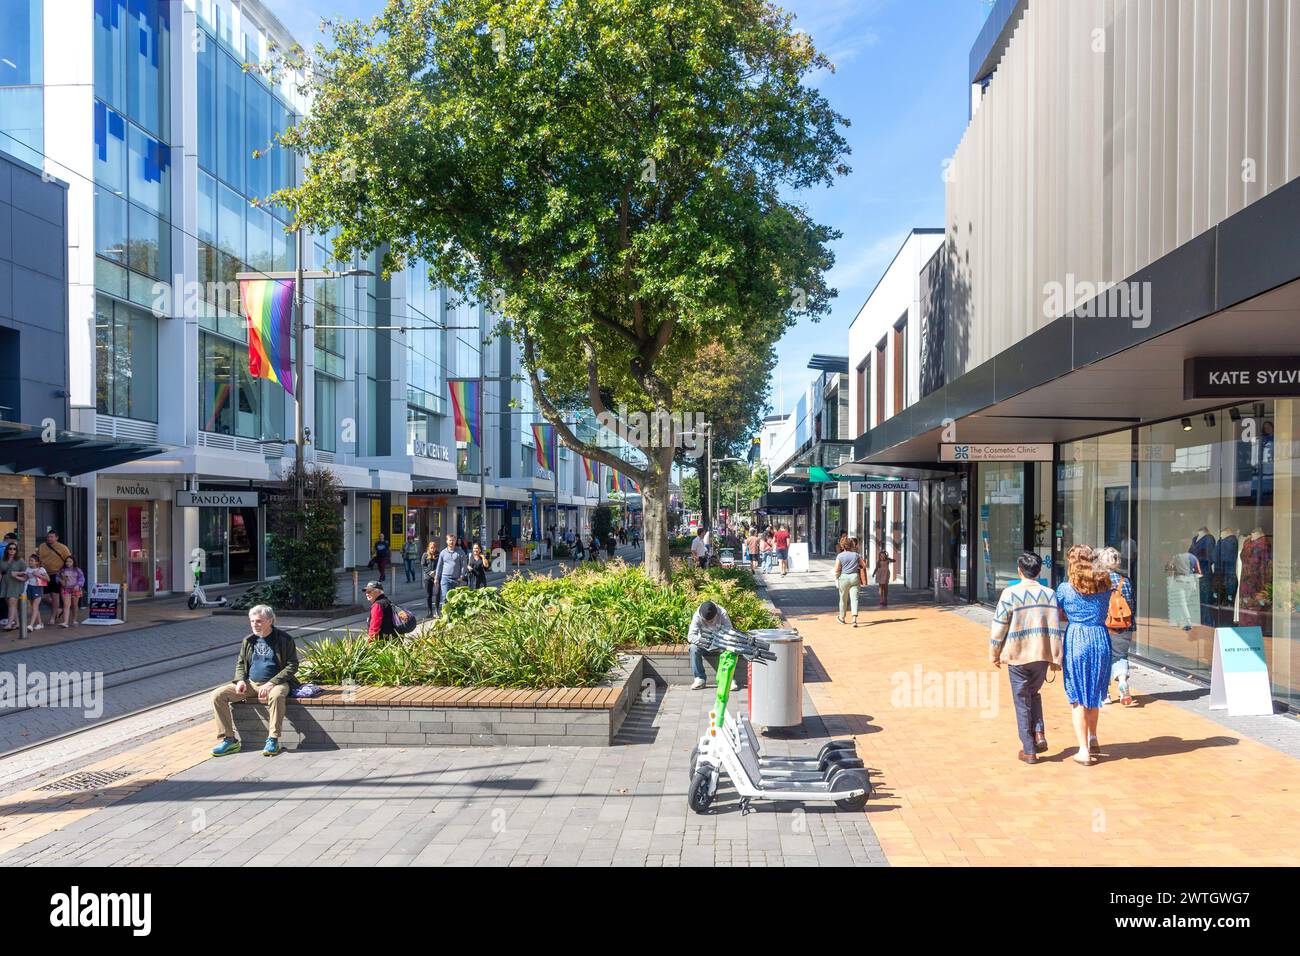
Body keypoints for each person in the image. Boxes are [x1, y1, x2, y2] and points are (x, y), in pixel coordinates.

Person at [990, 552, 1064, 764]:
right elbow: (1054, 627)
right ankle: (1038, 732)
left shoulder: (1010, 593)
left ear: (1019, 570)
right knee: (1033, 692)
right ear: (1039, 571)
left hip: (1017, 653)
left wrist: (994, 653)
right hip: (1041, 654)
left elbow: (998, 627)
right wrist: (1055, 657)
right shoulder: (1049, 594)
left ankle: (1029, 749)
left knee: (1022, 700)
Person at [210, 605, 299, 757]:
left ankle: (273, 739)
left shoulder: (284, 639)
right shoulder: (248, 640)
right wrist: (240, 681)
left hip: (277, 683)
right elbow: (240, 663)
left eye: (258, 621)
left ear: (270, 620)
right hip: (251, 684)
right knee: (218, 695)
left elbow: (292, 665)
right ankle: (230, 740)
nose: (254, 625)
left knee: (277, 696)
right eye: (252, 621)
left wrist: (272, 683)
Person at [1055, 544, 1114, 765]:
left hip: (1077, 638)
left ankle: (1084, 750)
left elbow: (1057, 612)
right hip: (1100, 637)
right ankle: (1093, 736)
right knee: (1095, 692)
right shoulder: (1106, 585)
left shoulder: (1065, 589)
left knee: (1078, 695)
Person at [1095, 545, 1137, 707]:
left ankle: (1104, 694)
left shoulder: (1098, 580)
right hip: (1123, 626)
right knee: (1120, 656)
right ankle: (1122, 682)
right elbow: (1131, 605)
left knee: (1103, 658)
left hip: (1104, 625)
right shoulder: (1125, 581)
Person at [687, 599, 743, 691]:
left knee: (730, 649)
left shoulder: (722, 613)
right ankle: (700, 678)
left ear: (716, 614)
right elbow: (691, 636)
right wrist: (704, 642)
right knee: (693, 648)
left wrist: (721, 640)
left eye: (711, 620)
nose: (709, 622)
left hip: (720, 643)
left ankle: (729, 679)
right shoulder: (697, 615)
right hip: (704, 643)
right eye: (706, 620)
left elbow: (730, 632)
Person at [37, 531, 71, 624]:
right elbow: (38, 558)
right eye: (48, 536)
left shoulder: (63, 548)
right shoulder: (42, 546)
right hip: (44, 574)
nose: (49, 538)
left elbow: (69, 560)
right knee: (44, 596)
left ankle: (52, 617)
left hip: (56, 574)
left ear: (57, 538)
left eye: (51, 537)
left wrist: (66, 574)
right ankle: (58, 609)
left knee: (55, 596)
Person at [833, 538, 866, 627]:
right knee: (854, 599)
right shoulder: (856, 555)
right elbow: (864, 565)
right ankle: (854, 620)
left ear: (842, 546)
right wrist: (856, 567)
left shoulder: (840, 556)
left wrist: (836, 578)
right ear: (852, 545)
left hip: (844, 578)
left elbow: (836, 569)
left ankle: (842, 618)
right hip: (855, 577)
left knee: (843, 599)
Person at [432, 532, 467, 614]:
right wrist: (436, 578)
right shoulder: (443, 553)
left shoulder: (460, 552)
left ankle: (453, 614)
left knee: (455, 598)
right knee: (445, 597)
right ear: (447, 541)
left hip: (456, 579)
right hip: (445, 579)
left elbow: (463, 565)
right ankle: (446, 615)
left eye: (453, 540)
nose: (451, 542)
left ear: (455, 541)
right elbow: (439, 566)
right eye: (450, 540)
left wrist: (461, 576)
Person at [20, 554, 49, 630]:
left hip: (38, 588)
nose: (30, 562)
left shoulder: (41, 569)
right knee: (34, 607)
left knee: (35, 607)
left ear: (36, 562)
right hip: (30, 588)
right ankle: (40, 623)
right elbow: (25, 579)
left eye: (32, 560)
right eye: (29, 560)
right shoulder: (28, 569)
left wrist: (38, 575)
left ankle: (31, 625)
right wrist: (15, 576)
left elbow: (48, 579)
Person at [0, 541, 25, 630]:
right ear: (7, 550)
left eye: (14, 549)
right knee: (11, 605)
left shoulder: (20, 561)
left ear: (16, 550)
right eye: (10, 548)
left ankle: (9, 624)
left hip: (16, 583)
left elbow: (26, 574)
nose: (12, 550)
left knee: (11, 603)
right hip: (5, 583)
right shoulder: (3, 559)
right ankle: (17, 623)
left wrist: (16, 574)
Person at [56, 555, 85, 628]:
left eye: (70, 561)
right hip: (65, 589)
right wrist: (59, 580)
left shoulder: (77, 570)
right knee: (66, 605)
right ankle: (65, 622)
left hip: (76, 589)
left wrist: (78, 585)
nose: (68, 563)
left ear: (73, 562)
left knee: (75, 605)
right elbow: (57, 578)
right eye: (67, 561)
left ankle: (74, 620)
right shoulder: (62, 570)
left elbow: (82, 579)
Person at [421, 540, 440, 617]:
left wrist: (435, 572)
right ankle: (429, 612)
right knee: (429, 595)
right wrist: (429, 572)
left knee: (437, 593)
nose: (433, 549)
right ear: (429, 548)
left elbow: (440, 564)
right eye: (431, 548)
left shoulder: (438, 555)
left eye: (434, 548)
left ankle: (436, 610)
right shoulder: (425, 555)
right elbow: (423, 565)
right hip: (428, 577)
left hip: (436, 577)